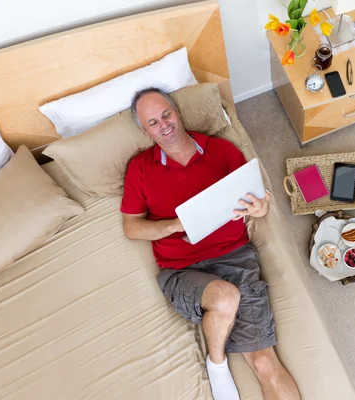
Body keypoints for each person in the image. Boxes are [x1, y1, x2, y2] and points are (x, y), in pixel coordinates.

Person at [121, 88, 300, 400]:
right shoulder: (140, 168)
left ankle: (219, 347)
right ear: (143, 130)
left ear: (176, 111)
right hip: (182, 269)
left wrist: (261, 208)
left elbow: (256, 199)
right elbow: (132, 228)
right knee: (224, 297)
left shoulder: (222, 150)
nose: (163, 125)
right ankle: (217, 364)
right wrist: (177, 224)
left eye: (166, 114)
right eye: (152, 122)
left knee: (265, 363)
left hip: (235, 257)